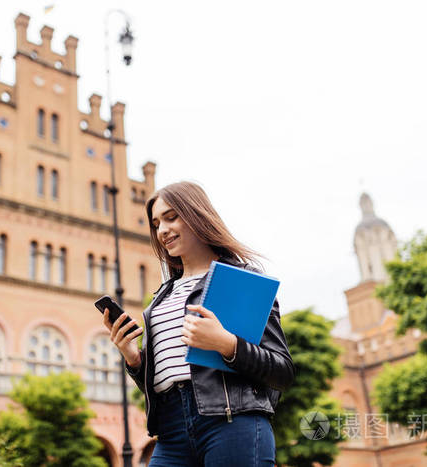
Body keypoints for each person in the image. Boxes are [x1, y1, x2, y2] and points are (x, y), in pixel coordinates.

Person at [103, 181, 294, 467]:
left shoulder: (241, 280)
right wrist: (134, 360)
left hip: (231, 423)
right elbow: (164, 379)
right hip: (170, 429)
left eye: (171, 217)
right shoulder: (160, 298)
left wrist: (227, 344)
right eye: (156, 224)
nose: (162, 230)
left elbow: (283, 372)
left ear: (196, 214)